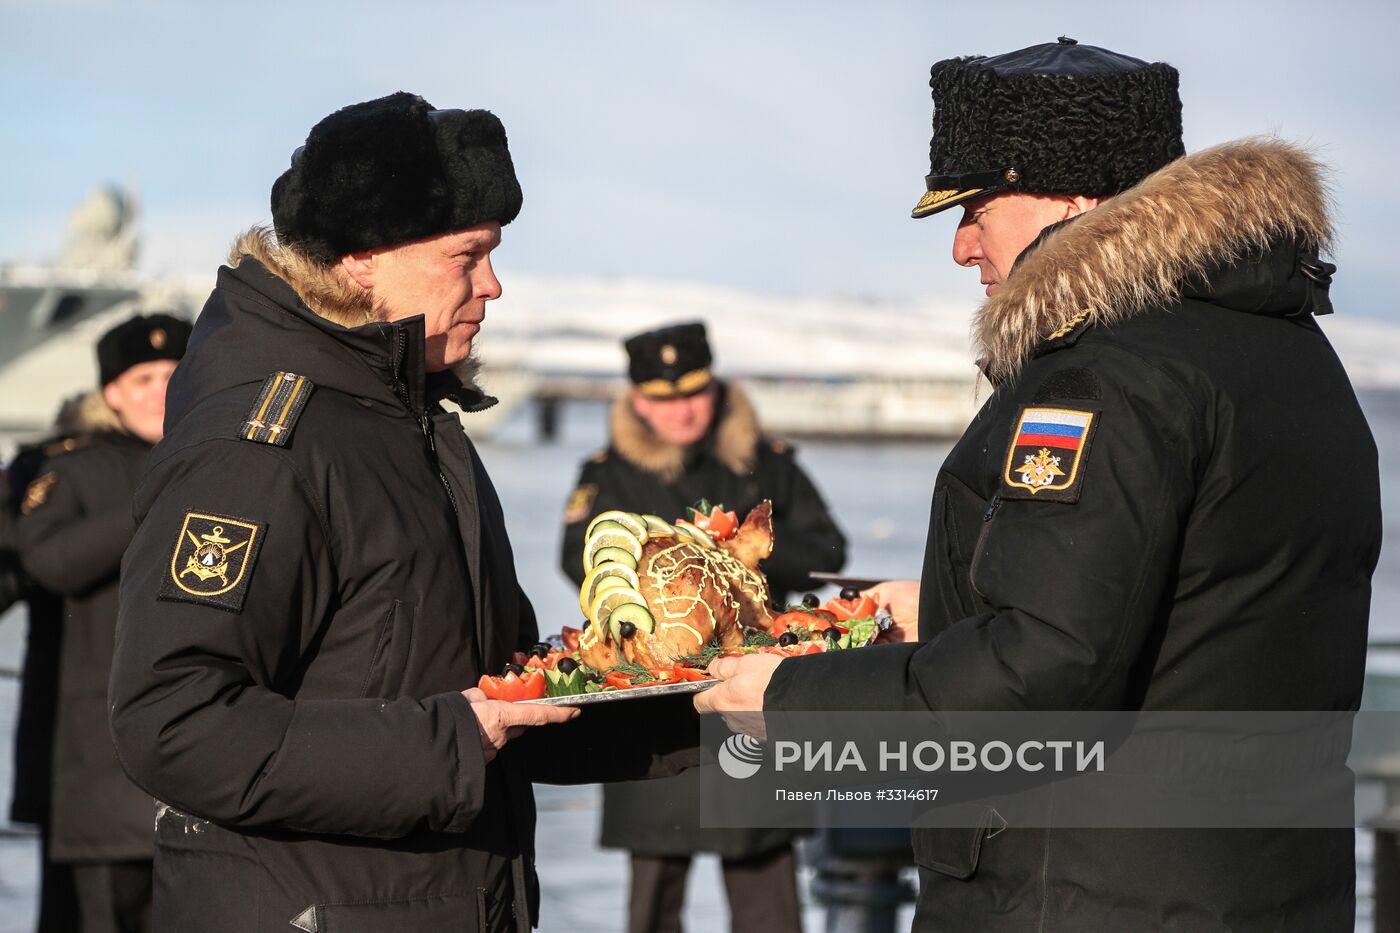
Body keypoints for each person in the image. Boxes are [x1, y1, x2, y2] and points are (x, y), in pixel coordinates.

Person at [698, 38, 1381, 931]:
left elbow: (1044, 672)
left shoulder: (1104, 375)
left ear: (1072, 199)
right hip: (1259, 886)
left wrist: (789, 702)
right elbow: (1195, 618)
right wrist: (945, 609)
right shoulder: (1290, 353)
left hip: (1088, 893)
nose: (961, 245)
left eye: (979, 206)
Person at [106, 92, 698, 933]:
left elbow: (499, 695)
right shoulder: (266, 446)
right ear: (362, 257)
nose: (492, 285)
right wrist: (452, 738)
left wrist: (706, 698)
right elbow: (173, 720)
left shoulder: (417, 429)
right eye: (469, 255)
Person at [560, 321, 847, 933]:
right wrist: (668, 565)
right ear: (637, 401)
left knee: (766, 888)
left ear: (715, 389)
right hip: (649, 698)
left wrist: (733, 557)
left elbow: (829, 549)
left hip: (751, 686)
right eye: (662, 399)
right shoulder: (606, 471)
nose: (681, 411)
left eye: (692, 393)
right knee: (653, 899)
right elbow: (571, 557)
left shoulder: (767, 460)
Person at [16, 313, 191, 933]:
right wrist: (160, 495)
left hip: (196, 761)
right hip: (95, 764)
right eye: (142, 377)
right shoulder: (71, 468)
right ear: (110, 392)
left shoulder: (222, 462)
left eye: (174, 374)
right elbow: (50, 561)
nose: (160, 390)